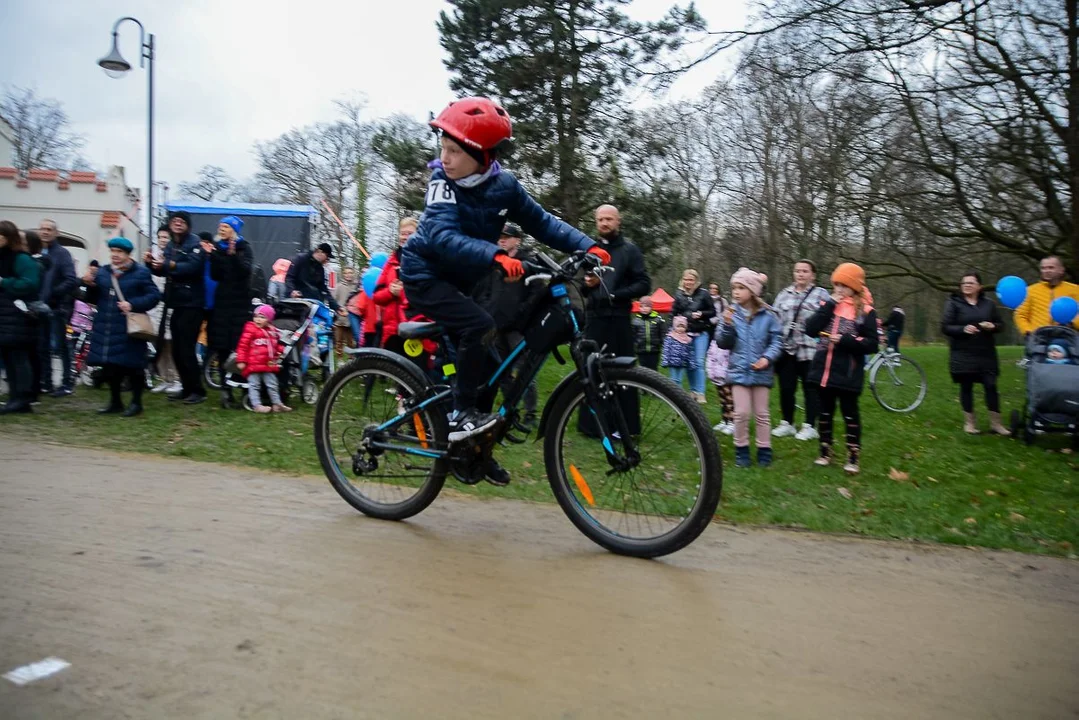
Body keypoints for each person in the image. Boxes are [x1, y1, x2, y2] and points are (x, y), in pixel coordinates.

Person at [398, 96, 607, 486]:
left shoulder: (504, 185)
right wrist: (495, 255)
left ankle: (474, 450)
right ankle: (460, 416)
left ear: (482, 153)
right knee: (478, 327)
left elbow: (542, 222)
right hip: (425, 275)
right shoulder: (441, 183)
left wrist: (587, 245)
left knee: (493, 367)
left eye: (454, 151)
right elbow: (443, 236)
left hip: (465, 279)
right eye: (442, 148)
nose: (445, 157)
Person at [577, 204, 649, 437]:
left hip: (618, 319)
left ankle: (623, 426)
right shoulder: (591, 250)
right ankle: (593, 426)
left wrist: (616, 295)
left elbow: (643, 284)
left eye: (609, 219)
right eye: (600, 220)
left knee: (622, 371)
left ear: (618, 222)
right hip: (594, 319)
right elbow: (582, 286)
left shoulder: (630, 251)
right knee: (591, 370)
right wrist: (587, 286)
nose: (604, 223)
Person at [805, 263, 878, 475]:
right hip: (822, 371)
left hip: (847, 373)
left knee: (850, 414)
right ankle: (825, 451)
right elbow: (810, 329)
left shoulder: (866, 311)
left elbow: (872, 343)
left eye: (844, 285)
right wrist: (829, 305)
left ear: (854, 286)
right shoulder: (827, 304)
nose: (839, 289)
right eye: (836, 284)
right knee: (825, 412)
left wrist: (845, 340)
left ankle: (853, 455)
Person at [83, 237, 161, 417]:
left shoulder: (140, 273)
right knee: (110, 367)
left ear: (128, 254)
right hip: (107, 326)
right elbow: (94, 298)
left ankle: (136, 402)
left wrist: (132, 304)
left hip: (129, 327)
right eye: (113, 252)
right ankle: (115, 401)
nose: (115, 255)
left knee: (133, 366)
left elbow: (154, 296)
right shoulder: (103, 272)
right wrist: (89, 286)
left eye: (119, 252)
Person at [471, 221, 539, 425]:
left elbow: (536, 292)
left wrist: (522, 314)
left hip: (518, 328)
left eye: (506, 236)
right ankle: (509, 410)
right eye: (499, 236)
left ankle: (530, 413)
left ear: (516, 240)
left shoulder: (528, 262)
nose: (501, 239)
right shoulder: (494, 264)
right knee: (500, 372)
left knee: (525, 370)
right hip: (496, 326)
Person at [716, 268, 782, 468]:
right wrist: (727, 325)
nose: (736, 292)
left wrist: (767, 358)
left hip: (761, 371)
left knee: (762, 414)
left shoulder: (768, 315)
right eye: (734, 288)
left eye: (741, 288)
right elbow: (722, 342)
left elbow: (777, 340)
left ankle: (764, 449)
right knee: (741, 413)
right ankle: (741, 450)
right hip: (738, 372)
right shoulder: (730, 314)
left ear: (752, 291)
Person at [146, 210, 207, 404]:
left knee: (187, 348)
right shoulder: (171, 245)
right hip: (175, 301)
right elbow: (164, 270)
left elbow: (192, 268)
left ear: (188, 225)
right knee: (177, 349)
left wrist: (169, 264)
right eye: (174, 221)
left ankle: (197, 390)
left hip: (192, 303)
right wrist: (152, 265)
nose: (177, 224)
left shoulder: (195, 244)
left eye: (181, 222)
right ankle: (186, 388)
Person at [941, 273, 1009, 435]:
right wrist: (963, 329)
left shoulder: (989, 304)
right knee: (967, 386)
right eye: (964, 283)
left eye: (971, 283)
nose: (967, 285)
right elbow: (945, 327)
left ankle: (996, 424)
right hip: (963, 352)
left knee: (991, 385)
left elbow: (1001, 325)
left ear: (979, 286)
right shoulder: (954, 303)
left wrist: (992, 326)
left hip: (985, 352)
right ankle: (970, 423)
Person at [771, 259, 831, 441]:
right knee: (786, 387)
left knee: (810, 388)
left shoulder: (821, 294)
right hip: (788, 349)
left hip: (810, 349)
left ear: (812, 275)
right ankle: (787, 423)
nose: (801, 274)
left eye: (805, 271)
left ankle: (810, 425)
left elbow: (828, 320)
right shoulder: (784, 294)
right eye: (798, 271)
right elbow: (775, 319)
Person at [205, 216, 254, 409]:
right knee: (223, 347)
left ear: (233, 229)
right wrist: (213, 257)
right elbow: (215, 275)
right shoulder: (218, 248)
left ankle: (244, 387)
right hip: (222, 303)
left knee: (240, 347)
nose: (221, 229)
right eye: (220, 226)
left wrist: (233, 256)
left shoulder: (244, 248)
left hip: (240, 304)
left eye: (225, 226)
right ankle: (226, 389)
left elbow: (245, 271)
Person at [0, 220, 42, 414]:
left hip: (18, 315)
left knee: (19, 357)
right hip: (5, 314)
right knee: (9, 357)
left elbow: (30, 283)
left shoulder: (21, 259)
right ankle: (14, 397)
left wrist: (4, 282)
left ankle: (23, 398)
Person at [36, 219, 78, 397]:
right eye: (42, 229)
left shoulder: (62, 254)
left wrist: (53, 293)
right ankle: (46, 382)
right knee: (42, 346)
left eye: (49, 229)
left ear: (56, 233)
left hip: (56, 307)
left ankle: (67, 383)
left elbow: (71, 279)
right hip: (38, 307)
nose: (45, 232)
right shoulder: (36, 253)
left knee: (61, 347)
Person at [374, 218, 419, 354]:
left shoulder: (424, 260)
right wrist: (390, 292)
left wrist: (403, 294)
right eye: (402, 233)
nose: (405, 237)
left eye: (409, 233)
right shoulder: (391, 262)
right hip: (392, 330)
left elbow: (428, 294)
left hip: (416, 327)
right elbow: (376, 296)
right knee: (395, 372)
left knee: (416, 372)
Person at [235, 304, 291, 413]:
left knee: (272, 384)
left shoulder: (272, 331)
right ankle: (256, 405)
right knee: (254, 385)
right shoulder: (250, 329)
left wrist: (280, 350)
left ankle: (277, 403)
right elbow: (242, 346)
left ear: (269, 319)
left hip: (268, 364)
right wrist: (241, 360)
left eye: (262, 317)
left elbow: (274, 344)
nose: (258, 319)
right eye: (256, 316)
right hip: (253, 364)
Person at [670, 268, 715, 403]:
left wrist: (701, 314)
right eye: (686, 279)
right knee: (690, 363)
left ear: (696, 281)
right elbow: (673, 313)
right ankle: (693, 391)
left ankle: (701, 393)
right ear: (682, 280)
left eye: (691, 280)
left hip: (701, 332)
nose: (688, 282)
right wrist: (671, 330)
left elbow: (713, 312)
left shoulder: (704, 294)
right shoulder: (679, 294)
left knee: (699, 362)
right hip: (685, 334)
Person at [148, 226, 180, 394]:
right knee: (159, 344)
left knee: (171, 343)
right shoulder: (152, 257)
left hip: (170, 306)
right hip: (155, 307)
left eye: (165, 237)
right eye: (160, 236)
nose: (162, 239)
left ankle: (176, 378)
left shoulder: (176, 258)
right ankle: (164, 378)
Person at [1014, 256, 1079, 334]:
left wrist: (1072, 324)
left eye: (1051, 268)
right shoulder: (1030, 291)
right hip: (1038, 338)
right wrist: (1028, 332)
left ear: (1061, 270)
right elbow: (1020, 315)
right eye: (1043, 268)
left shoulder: (1075, 289)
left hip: (1067, 336)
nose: (1046, 271)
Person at [286, 242, 339, 310]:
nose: (327, 261)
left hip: (313, 304)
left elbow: (324, 289)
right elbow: (289, 277)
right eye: (327, 257)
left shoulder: (321, 269)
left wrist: (336, 307)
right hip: (296, 302)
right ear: (320, 251)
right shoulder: (300, 259)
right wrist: (291, 291)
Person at [632, 295, 666, 371]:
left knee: (653, 370)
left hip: (654, 351)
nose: (644, 309)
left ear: (651, 307)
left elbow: (662, 334)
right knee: (643, 370)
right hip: (641, 350)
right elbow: (633, 336)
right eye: (642, 306)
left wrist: (664, 346)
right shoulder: (636, 321)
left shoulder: (658, 320)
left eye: (646, 306)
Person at [661, 315, 696, 388]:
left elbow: (690, 352)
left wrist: (691, 363)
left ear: (685, 327)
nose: (680, 329)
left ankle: (679, 395)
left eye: (682, 327)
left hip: (682, 363)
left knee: (679, 380)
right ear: (674, 326)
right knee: (673, 379)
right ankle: (672, 394)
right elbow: (666, 350)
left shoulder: (687, 339)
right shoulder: (670, 337)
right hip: (672, 362)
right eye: (678, 326)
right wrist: (665, 361)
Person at [333, 266, 358, 360]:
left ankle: (351, 358)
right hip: (340, 318)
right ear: (344, 275)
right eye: (346, 273)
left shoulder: (356, 286)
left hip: (351, 317)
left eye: (350, 273)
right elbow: (334, 300)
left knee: (350, 341)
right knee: (339, 340)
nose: (348, 275)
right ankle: (339, 358)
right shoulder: (339, 286)